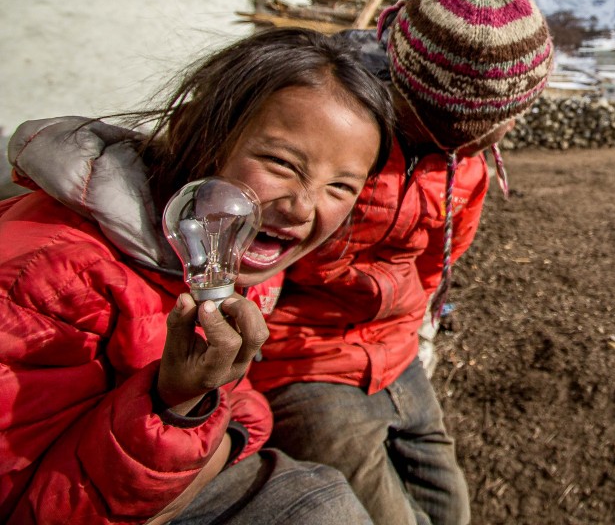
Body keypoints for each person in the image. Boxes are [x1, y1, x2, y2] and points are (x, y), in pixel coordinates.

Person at [0, 27, 394, 525]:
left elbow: (234, 401)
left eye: (340, 187)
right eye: (279, 163)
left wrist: (219, 423)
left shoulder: (227, 248)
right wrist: (174, 404)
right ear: (192, 132)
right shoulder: (46, 279)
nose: (302, 206)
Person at [254, 0, 554, 525]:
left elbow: (442, 255)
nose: (492, 138)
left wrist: (419, 326)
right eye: (478, 127)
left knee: (450, 508)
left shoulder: (464, 164)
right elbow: (259, 249)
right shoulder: (331, 130)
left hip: (396, 350)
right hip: (304, 358)